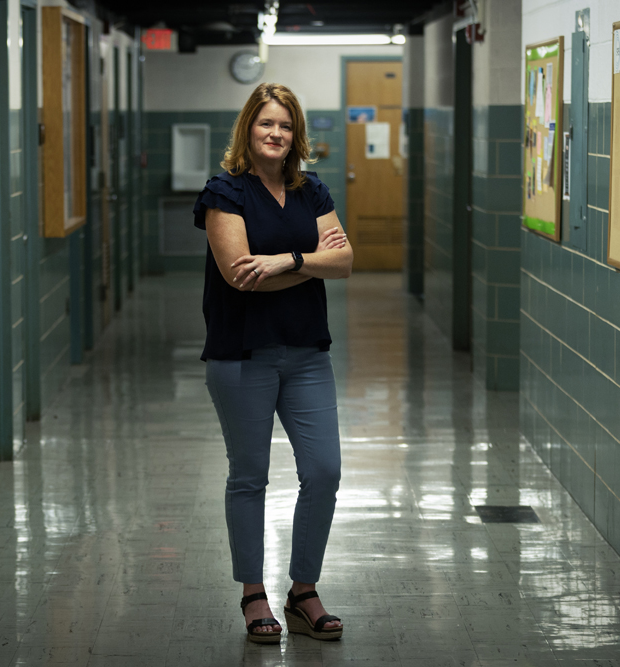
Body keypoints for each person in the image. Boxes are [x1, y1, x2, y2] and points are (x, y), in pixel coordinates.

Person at [192, 82, 353, 644]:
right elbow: (242, 277)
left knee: (324, 471)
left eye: (286, 125)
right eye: (267, 124)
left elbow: (347, 260)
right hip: (243, 355)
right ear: (248, 129)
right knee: (249, 477)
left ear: (296, 135)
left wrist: (286, 259)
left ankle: (303, 590)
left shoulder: (312, 191)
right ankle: (253, 594)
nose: (277, 134)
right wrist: (315, 262)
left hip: (308, 353)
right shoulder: (224, 193)